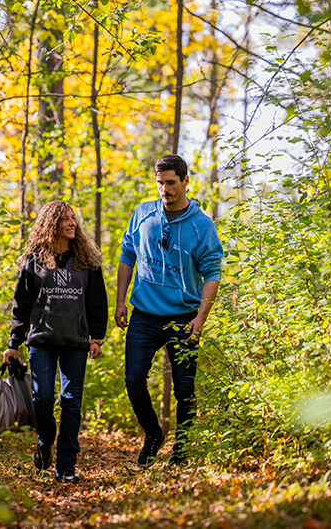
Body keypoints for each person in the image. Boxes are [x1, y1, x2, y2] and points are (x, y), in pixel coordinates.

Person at [115, 154, 223, 467]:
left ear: (186, 181)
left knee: (185, 389)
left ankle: (182, 453)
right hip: (144, 314)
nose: (165, 189)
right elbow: (127, 255)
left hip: (184, 317)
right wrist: (121, 300)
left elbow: (212, 273)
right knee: (134, 379)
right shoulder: (143, 214)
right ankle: (153, 432)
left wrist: (200, 318)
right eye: (160, 182)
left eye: (171, 182)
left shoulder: (201, 225)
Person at [3, 200, 107, 484]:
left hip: (75, 343)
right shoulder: (34, 261)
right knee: (44, 400)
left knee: (72, 403)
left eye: (73, 218)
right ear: (52, 225)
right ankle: (44, 441)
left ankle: (66, 467)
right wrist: (14, 342)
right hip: (42, 342)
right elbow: (21, 305)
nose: (72, 223)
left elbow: (97, 302)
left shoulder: (87, 261)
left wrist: (96, 337)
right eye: (66, 219)